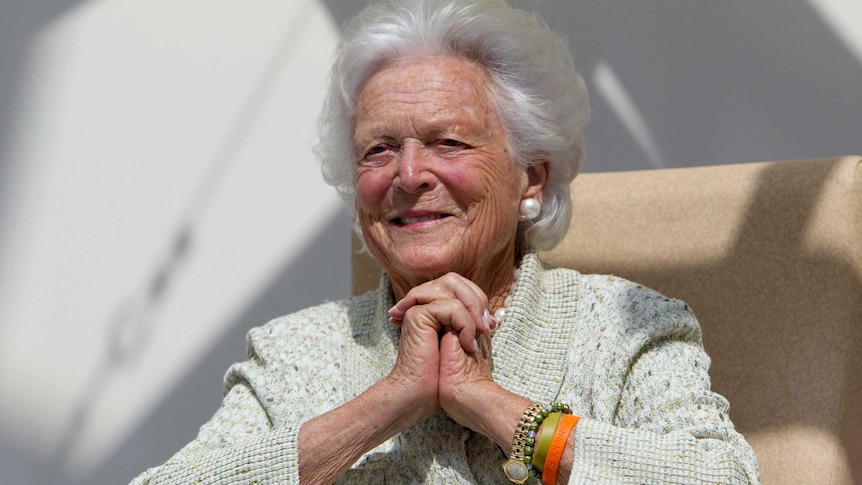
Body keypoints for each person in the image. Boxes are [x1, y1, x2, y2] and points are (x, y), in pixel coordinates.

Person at [131, 0, 759, 483]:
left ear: (530, 178)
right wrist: (382, 407)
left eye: (447, 142)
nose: (408, 176)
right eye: (379, 150)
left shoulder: (626, 332)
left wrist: (490, 405)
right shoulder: (293, 354)